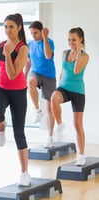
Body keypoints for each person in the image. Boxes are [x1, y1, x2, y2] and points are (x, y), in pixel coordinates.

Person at [0, 13, 30, 186]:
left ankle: (24, 173)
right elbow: (1, 68)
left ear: (19, 27)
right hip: (0, 88)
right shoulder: (1, 45)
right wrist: (5, 53)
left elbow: (13, 74)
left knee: (19, 133)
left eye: (11, 27)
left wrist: (8, 55)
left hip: (18, 92)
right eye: (6, 26)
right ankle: (1, 128)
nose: (8, 30)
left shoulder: (23, 48)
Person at [51, 27, 89, 166]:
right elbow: (63, 70)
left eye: (74, 40)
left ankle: (82, 154)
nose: (70, 42)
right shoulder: (64, 53)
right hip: (64, 88)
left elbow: (76, 69)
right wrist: (59, 83)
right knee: (54, 98)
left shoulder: (85, 56)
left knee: (77, 125)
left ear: (80, 40)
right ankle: (60, 124)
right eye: (69, 39)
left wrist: (78, 51)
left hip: (78, 91)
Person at [25, 21, 56, 148]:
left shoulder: (49, 42)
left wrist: (45, 38)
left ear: (41, 31)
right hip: (36, 72)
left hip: (49, 76)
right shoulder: (30, 44)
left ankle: (50, 137)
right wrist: (23, 75)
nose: (33, 35)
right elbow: (28, 62)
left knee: (50, 108)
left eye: (36, 33)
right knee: (30, 82)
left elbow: (48, 56)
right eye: (31, 33)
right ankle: (37, 110)